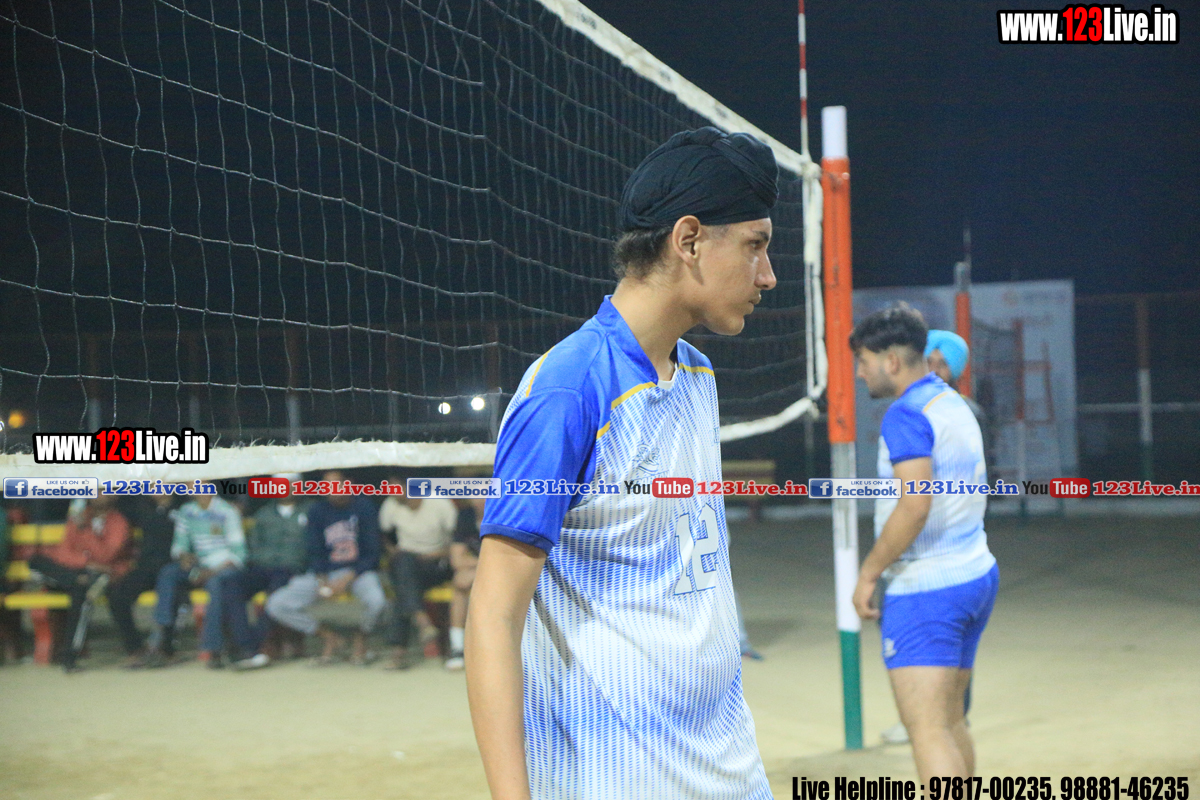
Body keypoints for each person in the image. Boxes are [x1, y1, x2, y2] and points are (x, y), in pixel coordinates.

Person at [466, 127, 778, 800]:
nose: (767, 275)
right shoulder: (568, 390)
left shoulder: (697, 375)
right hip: (615, 779)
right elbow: (493, 616)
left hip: (731, 771)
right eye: (755, 246)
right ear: (689, 240)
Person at [849, 304, 999, 781]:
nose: (859, 373)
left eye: (863, 361)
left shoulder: (905, 414)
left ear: (892, 361)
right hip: (975, 572)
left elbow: (915, 505)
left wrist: (869, 573)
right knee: (951, 721)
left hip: (928, 588)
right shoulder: (952, 401)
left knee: (928, 731)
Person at [880, 328, 984, 745]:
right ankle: (938, 718)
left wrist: (870, 571)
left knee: (937, 718)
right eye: (930, 359)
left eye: (942, 363)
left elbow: (917, 503)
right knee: (934, 679)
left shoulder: (928, 412)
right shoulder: (934, 408)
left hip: (934, 564)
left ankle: (938, 719)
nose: (934, 368)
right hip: (947, 560)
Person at [265, 470, 386, 665]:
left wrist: (348, 578)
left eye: (337, 484)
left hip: (358, 573)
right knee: (277, 604)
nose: (332, 490)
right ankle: (328, 637)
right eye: (327, 486)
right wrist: (322, 580)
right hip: (325, 574)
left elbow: (373, 554)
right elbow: (314, 552)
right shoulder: (317, 511)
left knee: (377, 601)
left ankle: (360, 638)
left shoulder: (364, 507)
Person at [27, 494, 133, 671]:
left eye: (103, 490)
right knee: (36, 561)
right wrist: (85, 562)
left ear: (113, 496)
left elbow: (105, 556)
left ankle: (69, 656)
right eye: (95, 490)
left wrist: (85, 530)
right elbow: (63, 552)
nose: (98, 495)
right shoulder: (80, 516)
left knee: (81, 592)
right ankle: (75, 580)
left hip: (97, 575)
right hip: (74, 572)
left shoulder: (118, 522)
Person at [140, 493, 246, 668]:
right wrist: (184, 556)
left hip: (223, 567)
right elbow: (179, 544)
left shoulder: (227, 511)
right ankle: (161, 638)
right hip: (198, 565)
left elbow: (238, 554)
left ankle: (214, 648)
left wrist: (211, 572)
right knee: (168, 573)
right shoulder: (187, 510)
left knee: (216, 585)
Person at [222, 474, 311, 670]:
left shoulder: (310, 511)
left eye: (291, 484)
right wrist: (266, 560)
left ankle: (256, 648)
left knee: (276, 593)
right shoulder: (264, 514)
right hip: (263, 567)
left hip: (293, 569)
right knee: (232, 584)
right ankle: (245, 644)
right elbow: (253, 546)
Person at [378, 484, 458, 670]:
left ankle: (399, 652)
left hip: (437, 562)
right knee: (404, 569)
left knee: (402, 587)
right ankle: (422, 621)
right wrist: (392, 550)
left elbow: (456, 542)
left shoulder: (439, 503)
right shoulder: (391, 504)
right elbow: (383, 535)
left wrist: (429, 555)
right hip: (408, 564)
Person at [108, 494, 176, 667]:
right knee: (117, 595)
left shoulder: (183, 506)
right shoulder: (141, 506)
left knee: (171, 591)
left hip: (174, 567)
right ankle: (136, 649)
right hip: (146, 567)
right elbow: (112, 506)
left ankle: (165, 650)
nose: (156, 486)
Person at [444, 497, 484, 670]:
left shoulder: (506, 514)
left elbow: (509, 559)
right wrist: (477, 569)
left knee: (467, 579)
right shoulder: (466, 516)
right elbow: (457, 560)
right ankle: (458, 648)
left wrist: (476, 571)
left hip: (508, 573)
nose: (478, 499)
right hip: (475, 572)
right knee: (460, 583)